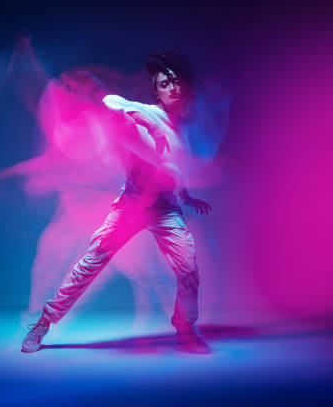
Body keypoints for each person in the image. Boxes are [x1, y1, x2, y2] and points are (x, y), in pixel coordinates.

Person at [22, 49, 213, 354]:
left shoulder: (182, 128)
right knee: (90, 264)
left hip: (164, 208)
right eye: (164, 84)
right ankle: (43, 323)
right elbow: (112, 102)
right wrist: (146, 122)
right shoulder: (146, 111)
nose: (172, 89)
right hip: (131, 206)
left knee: (188, 268)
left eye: (176, 83)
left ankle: (186, 329)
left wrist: (187, 196)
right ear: (157, 91)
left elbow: (174, 168)